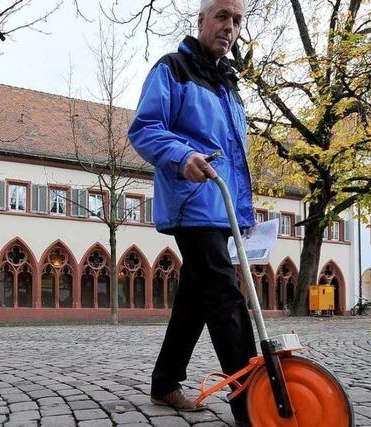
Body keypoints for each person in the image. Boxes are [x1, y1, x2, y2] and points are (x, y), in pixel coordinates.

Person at [128, 0, 255, 424]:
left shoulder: (229, 87)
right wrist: (181, 156)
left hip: (221, 209)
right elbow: (145, 129)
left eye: (236, 20)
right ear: (201, 20)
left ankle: (165, 383)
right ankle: (253, 404)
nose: (229, 27)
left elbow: (235, 159)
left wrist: (243, 216)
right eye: (221, 16)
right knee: (224, 296)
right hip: (191, 203)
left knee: (195, 299)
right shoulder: (172, 70)